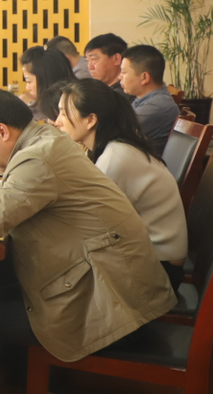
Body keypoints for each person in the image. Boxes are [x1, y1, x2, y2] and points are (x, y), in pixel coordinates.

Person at [0, 89, 174, 363]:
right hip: (107, 283)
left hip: (110, 303)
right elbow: (8, 191)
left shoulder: (39, 157)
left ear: (2, 131)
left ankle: (20, 388)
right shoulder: (45, 138)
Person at [54, 79, 187, 291]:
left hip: (159, 271)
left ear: (90, 120)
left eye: (63, 113)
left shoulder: (116, 157)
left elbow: (83, 220)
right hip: (150, 258)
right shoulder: (114, 148)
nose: (57, 122)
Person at [121, 44, 181, 158]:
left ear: (144, 77)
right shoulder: (147, 99)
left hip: (145, 165)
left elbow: (114, 133)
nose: (120, 77)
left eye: (124, 72)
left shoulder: (156, 106)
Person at [20, 46, 75, 122]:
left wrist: (30, 103)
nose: (27, 88)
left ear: (46, 79)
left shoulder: (72, 105)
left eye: (29, 81)